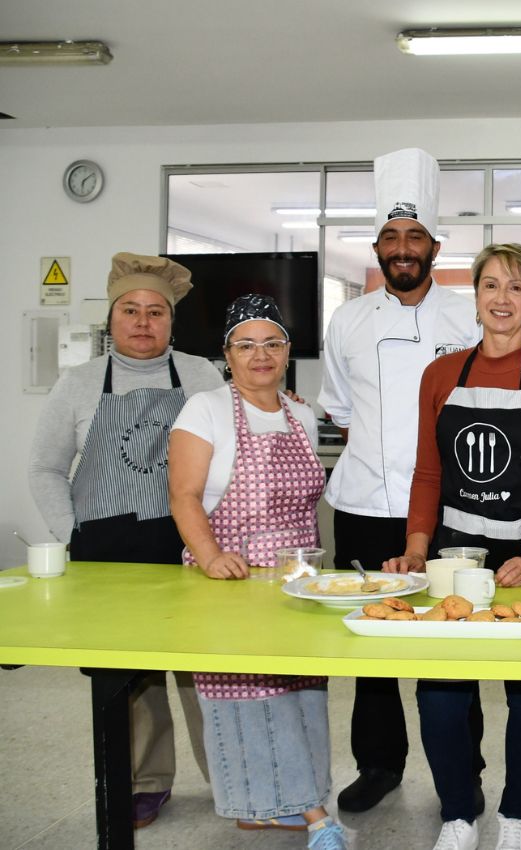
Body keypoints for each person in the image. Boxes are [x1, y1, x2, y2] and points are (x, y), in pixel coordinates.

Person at [385, 243, 521, 850]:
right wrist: (417, 550)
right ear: (475, 296)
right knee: (441, 693)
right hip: (457, 560)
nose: (502, 299)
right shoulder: (440, 376)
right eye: (491, 286)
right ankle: (456, 814)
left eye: (516, 287)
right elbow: (429, 475)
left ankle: (517, 816)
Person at [27, 252, 222, 828]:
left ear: (171, 322)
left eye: (155, 311)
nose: (142, 321)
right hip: (107, 553)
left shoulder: (201, 376)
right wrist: (72, 535)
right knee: (129, 680)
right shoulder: (79, 383)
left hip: (187, 546)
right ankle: (143, 782)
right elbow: (45, 468)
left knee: (207, 671)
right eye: (130, 310)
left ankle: (231, 779)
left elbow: (230, 454)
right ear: (110, 319)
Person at [318, 147, 480, 814]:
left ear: (435, 247)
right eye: (392, 236)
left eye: (415, 236)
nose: (403, 248)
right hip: (363, 503)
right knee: (371, 640)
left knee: (455, 641)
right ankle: (379, 764)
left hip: (449, 509)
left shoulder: (468, 318)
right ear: (377, 248)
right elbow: (341, 408)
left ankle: (463, 771)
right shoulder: (348, 320)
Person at [168, 295, 346, 848]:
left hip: (297, 583)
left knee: (300, 694)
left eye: (272, 343)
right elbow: (184, 495)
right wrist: (210, 555)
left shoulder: (301, 414)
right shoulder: (205, 409)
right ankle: (312, 816)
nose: (260, 355)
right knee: (254, 698)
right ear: (227, 355)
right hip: (234, 582)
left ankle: (283, 805)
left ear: (289, 351)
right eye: (246, 345)